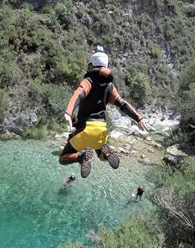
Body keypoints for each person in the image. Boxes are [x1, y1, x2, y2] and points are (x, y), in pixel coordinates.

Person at [59, 46, 151, 178]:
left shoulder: (88, 80)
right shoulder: (110, 86)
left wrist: (68, 112)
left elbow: (78, 94)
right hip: (101, 130)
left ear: (91, 65)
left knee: (63, 158)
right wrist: (139, 118)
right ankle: (106, 154)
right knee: (100, 151)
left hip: (84, 129)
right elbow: (122, 104)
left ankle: (81, 158)